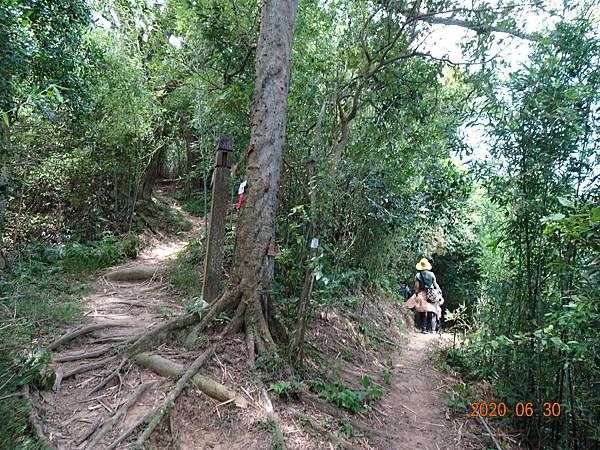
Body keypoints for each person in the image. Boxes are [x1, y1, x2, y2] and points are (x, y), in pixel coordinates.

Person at [404, 258, 443, 334]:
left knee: (422, 311)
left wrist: (416, 293)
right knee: (430, 311)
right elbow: (435, 284)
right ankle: (430, 329)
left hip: (422, 293)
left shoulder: (418, 275)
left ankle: (423, 328)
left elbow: (417, 286)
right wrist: (438, 292)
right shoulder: (432, 274)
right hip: (431, 294)